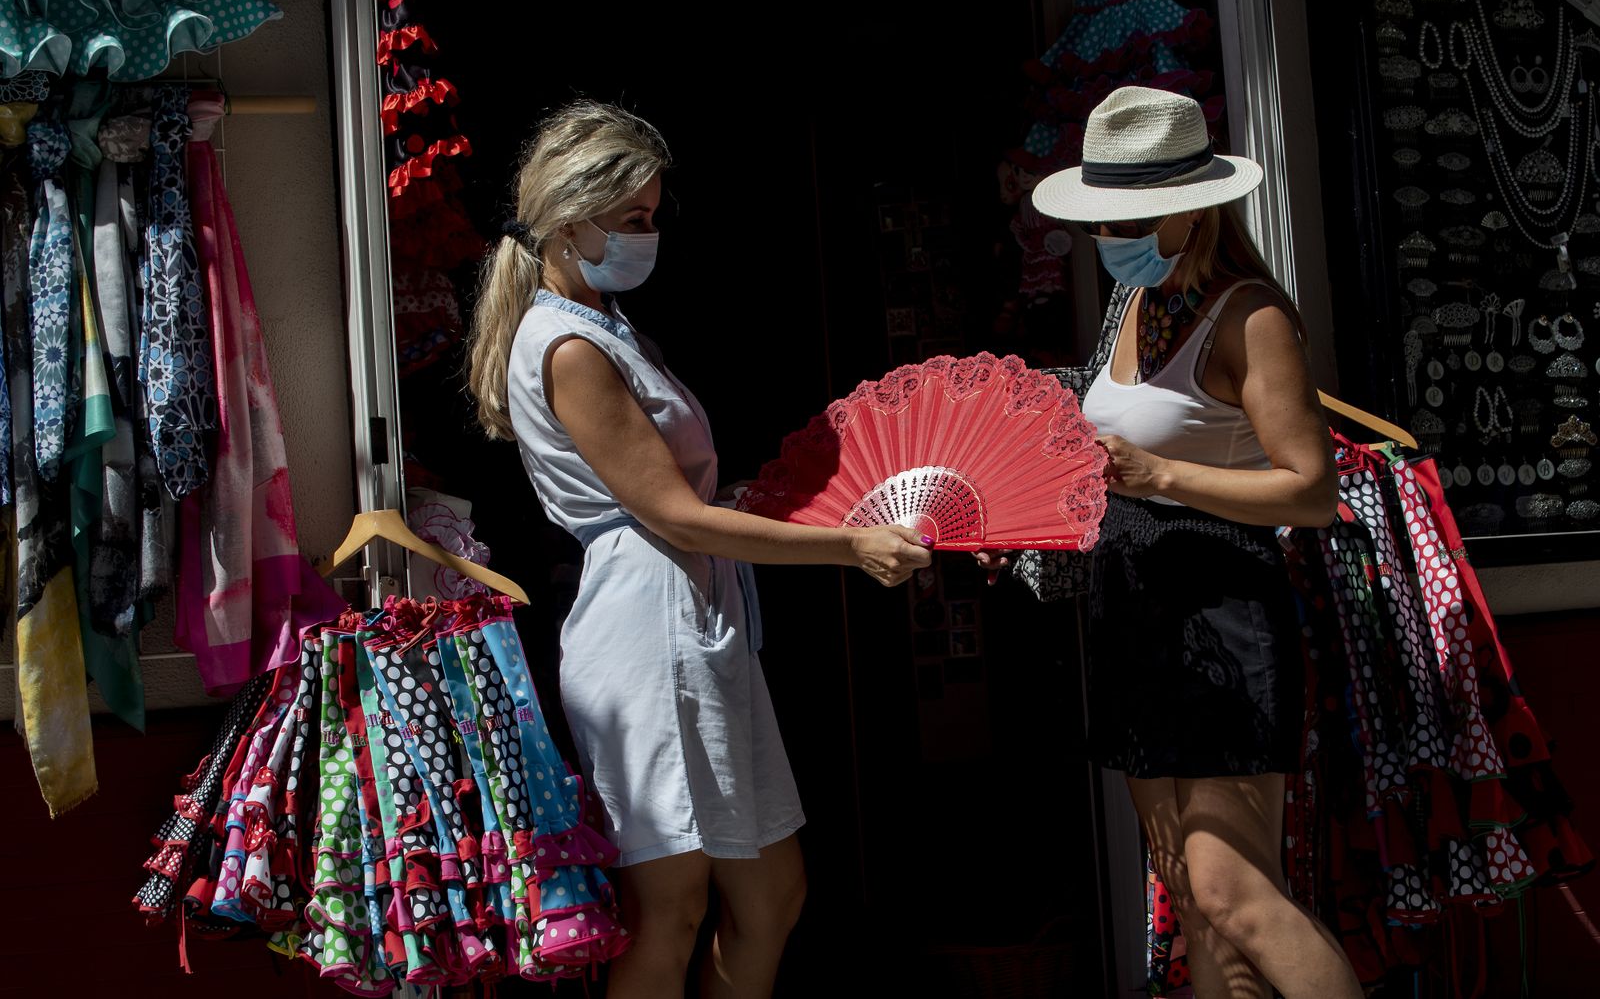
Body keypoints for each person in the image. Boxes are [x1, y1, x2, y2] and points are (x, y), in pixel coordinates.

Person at [465, 101, 932, 998]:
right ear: (568, 220)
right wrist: (850, 547)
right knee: (671, 909)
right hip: (650, 630)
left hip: (691, 618)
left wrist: (779, 505)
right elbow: (674, 517)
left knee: (771, 896)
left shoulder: (605, 327)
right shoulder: (569, 345)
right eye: (631, 217)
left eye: (651, 215)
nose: (648, 235)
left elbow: (682, 504)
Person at [985, 86, 1361, 998]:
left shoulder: (1251, 316)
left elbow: (1311, 492)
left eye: (1131, 219)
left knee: (1237, 894)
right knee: (1192, 896)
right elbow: (1101, 462)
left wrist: (1161, 475)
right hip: (1135, 620)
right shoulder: (1133, 303)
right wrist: (1016, 522)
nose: (1111, 237)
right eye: (1103, 221)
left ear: (1196, 207)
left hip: (1221, 619)